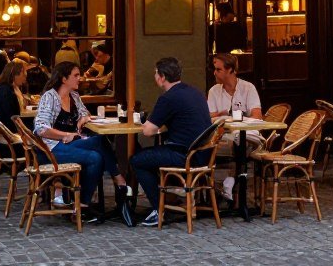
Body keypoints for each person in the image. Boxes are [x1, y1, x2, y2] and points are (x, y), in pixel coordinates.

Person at [34, 61, 133, 226]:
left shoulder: (74, 96)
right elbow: (41, 129)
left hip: (69, 144)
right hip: (49, 149)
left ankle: (83, 204)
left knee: (98, 147)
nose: (80, 78)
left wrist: (83, 119)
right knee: (96, 154)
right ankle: (117, 182)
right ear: (64, 79)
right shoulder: (50, 97)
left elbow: (84, 113)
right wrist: (64, 135)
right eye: (76, 75)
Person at [132, 57, 213, 227]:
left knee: (138, 160)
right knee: (150, 155)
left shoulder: (168, 98)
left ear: (162, 76)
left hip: (185, 156)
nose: (155, 77)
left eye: (155, 73)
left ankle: (159, 209)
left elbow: (148, 131)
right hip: (204, 155)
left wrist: (143, 123)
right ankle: (168, 199)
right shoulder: (194, 92)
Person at [207, 53, 262, 202]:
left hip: (244, 134)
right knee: (235, 142)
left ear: (230, 70)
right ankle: (232, 181)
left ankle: (230, 181)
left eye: (218, 69)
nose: (214, 72)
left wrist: (239, 119)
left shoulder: (248, 88)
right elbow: (209, 116)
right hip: (223, 135)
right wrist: (222, 113)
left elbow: (257, 115)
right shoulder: (214, 91)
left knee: (243, 140)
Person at [0, 60, 26, 169]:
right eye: (23, 73)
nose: (25, 76)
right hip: (7, 147)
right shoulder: (8, 93)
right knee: (40, 149)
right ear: (15, 75)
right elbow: (11, 122)